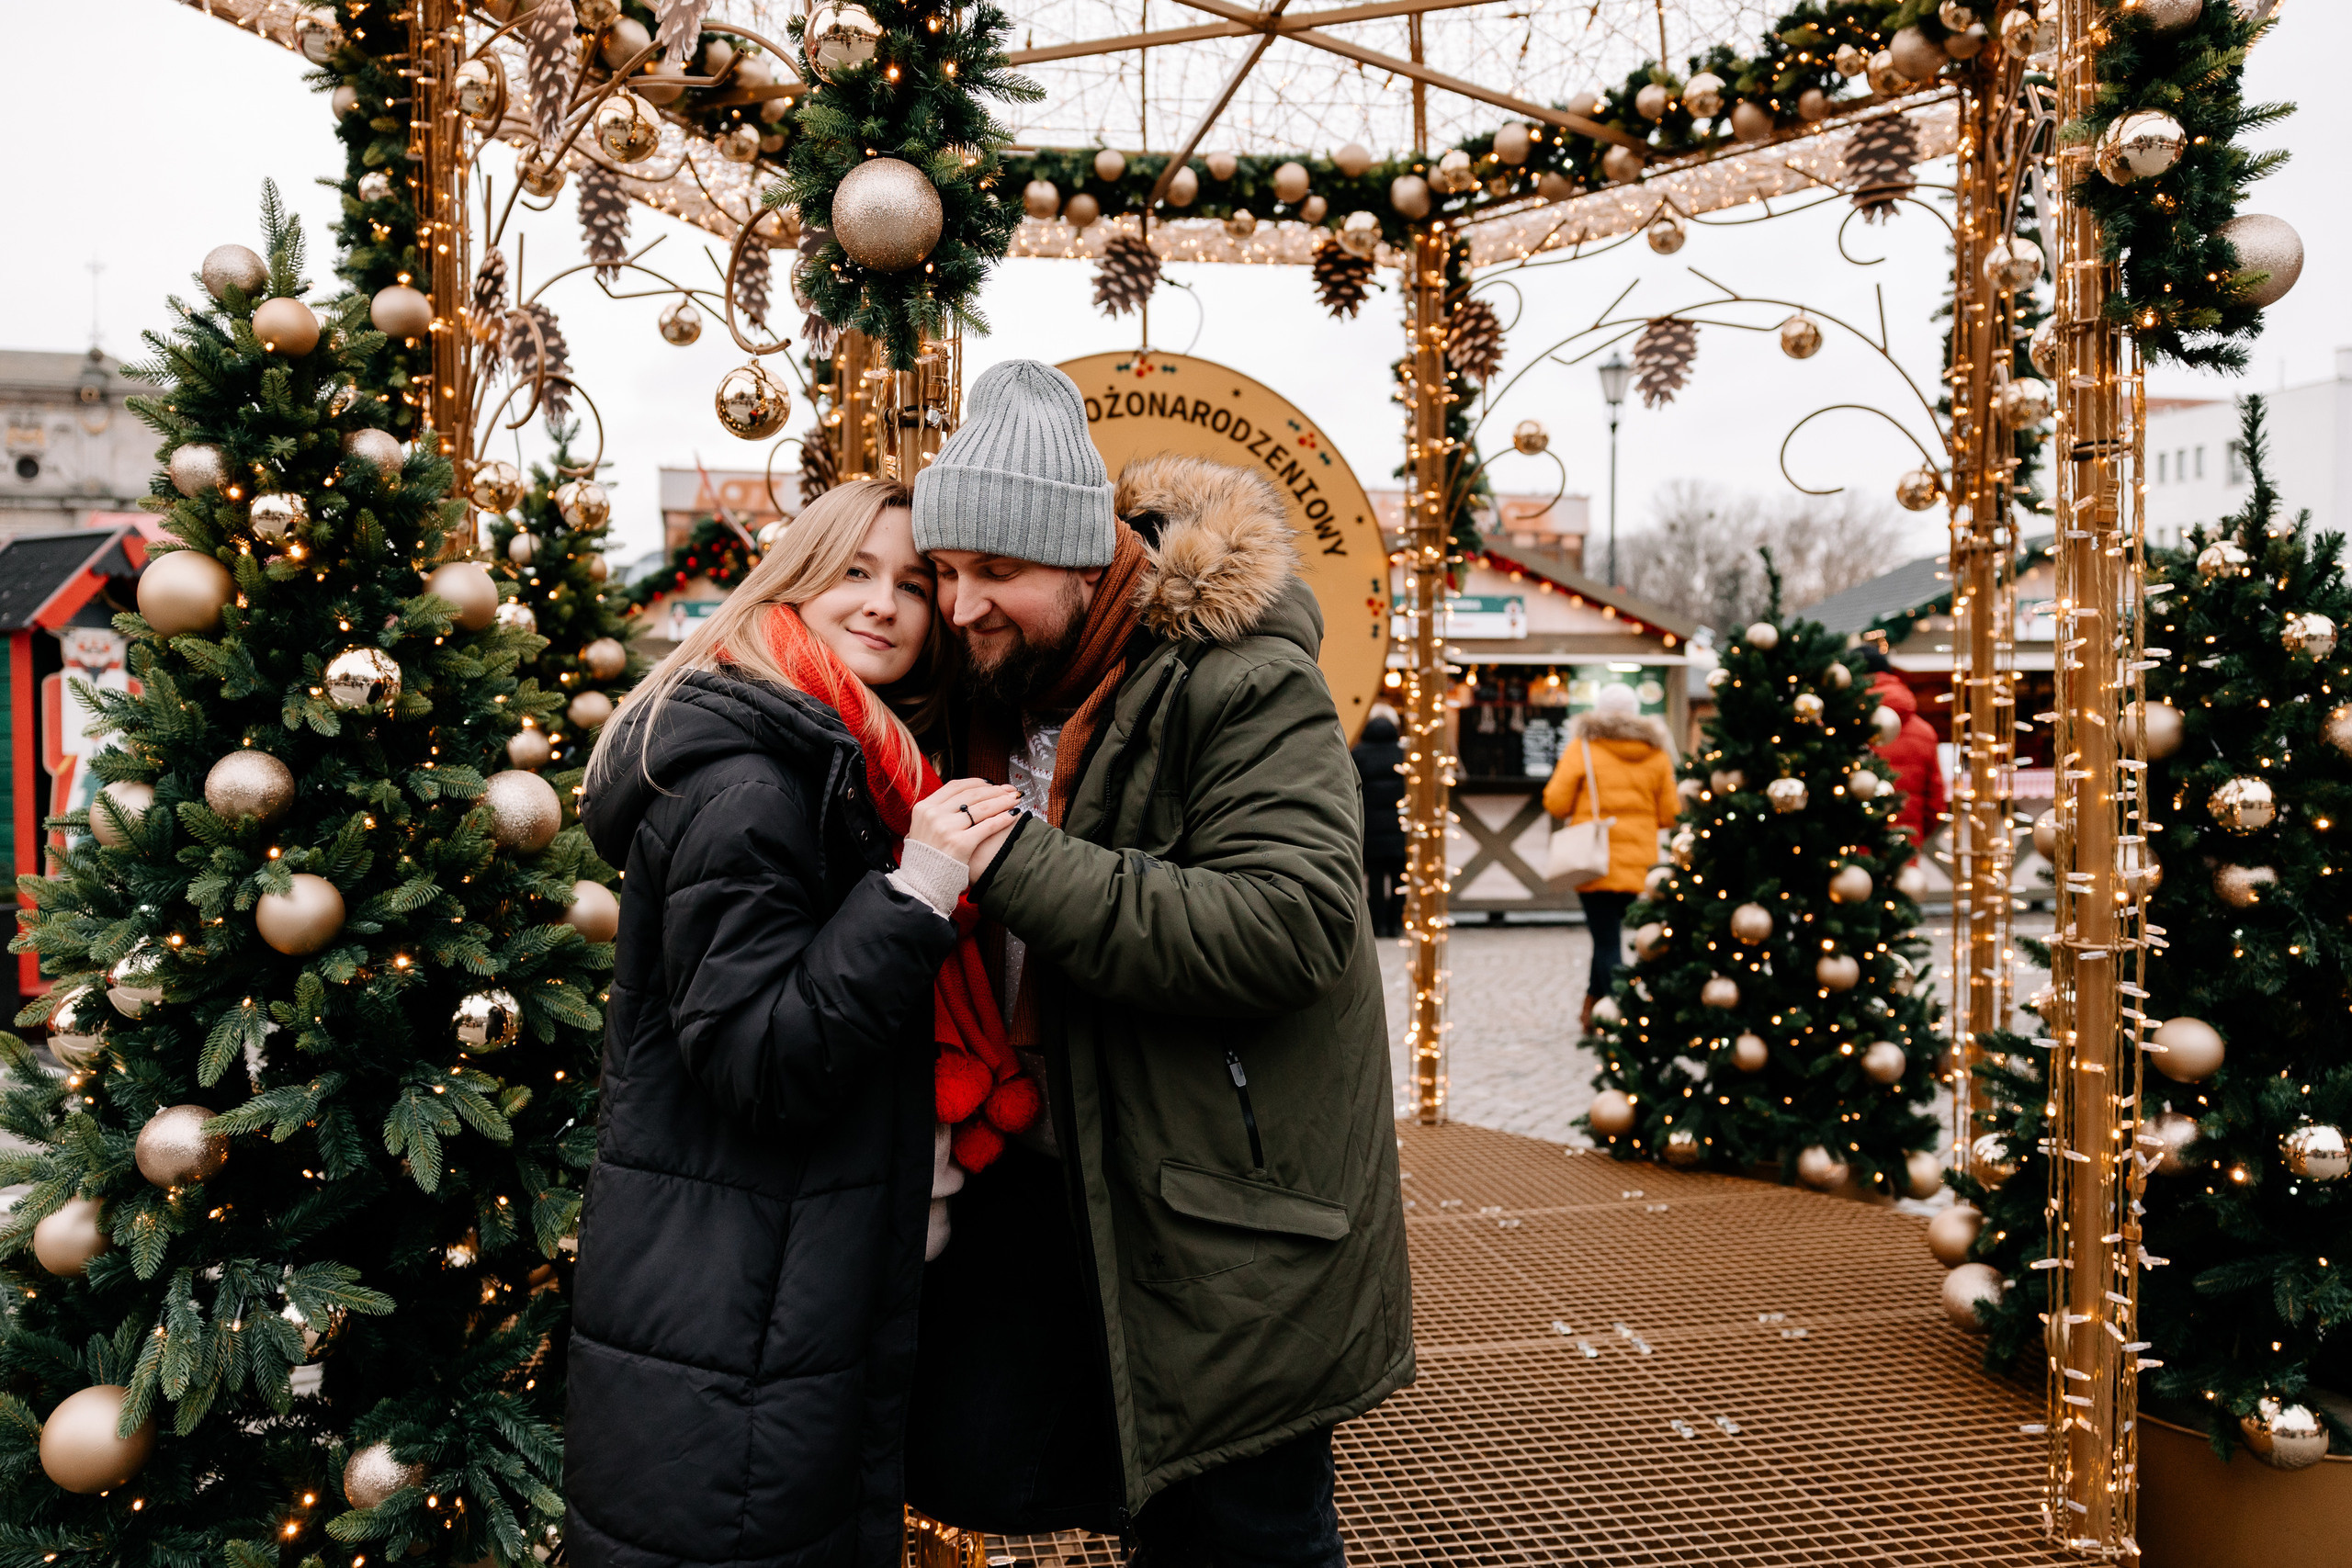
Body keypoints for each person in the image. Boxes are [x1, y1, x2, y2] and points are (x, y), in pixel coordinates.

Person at [902, 362, 1413, 1566]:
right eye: (948, 569)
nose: (962, 601)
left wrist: (1012, 857)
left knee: (1239, 1527)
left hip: (1228, 1213)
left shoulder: (1240, 677)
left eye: (999, 571)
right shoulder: (977, 686)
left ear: (1090, 565)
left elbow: (1293, 922)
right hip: (1043, 1175)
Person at [567, 479, 1024, 1568]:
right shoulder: (751, 780)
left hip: (772, 1282)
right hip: (734, 1305)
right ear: (793, 580)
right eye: (853, 572)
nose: (885, 605)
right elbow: (759, 1059)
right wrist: (916, 890)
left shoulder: (840, 755)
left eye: (914, 585)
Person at [1541, 682, 1679, 1034]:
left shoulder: (1583, 747)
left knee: (1606, 942)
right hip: (1639, 865)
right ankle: (1591, 1012)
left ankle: (1624, 1014)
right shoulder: (1657, 753)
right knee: (1607, 938)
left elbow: (1556, 802)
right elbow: (1670, 814)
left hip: (1595, 862)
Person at [1863, 649, 1946, 848]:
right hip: (1904, 846)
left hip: (1852, 851)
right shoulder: (1924, 731)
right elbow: (1935, 803)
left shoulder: (1840, 725)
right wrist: (1914, 835)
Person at [1352, 703, 1408, 939]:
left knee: (1374, 879)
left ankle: (1378, 925)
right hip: (1399, 827)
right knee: (1399, 879)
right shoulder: (1404, 752)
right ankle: (1396, 924)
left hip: (1372, 829)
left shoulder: (1357, 753)